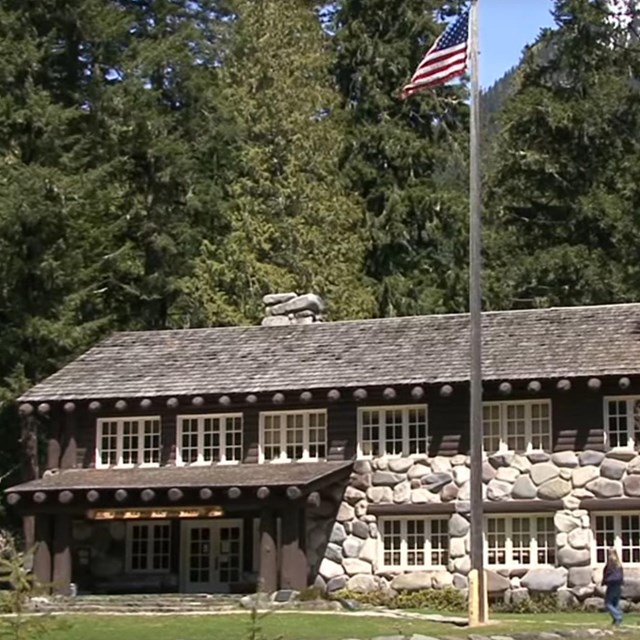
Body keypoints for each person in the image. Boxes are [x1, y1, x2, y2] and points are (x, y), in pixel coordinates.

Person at [602, 548, 624, 626]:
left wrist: (604, 582)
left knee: (608, 603)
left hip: (612, 584)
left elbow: (608, 573)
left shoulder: (611, 561)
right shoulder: (619, 563)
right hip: (619, 585)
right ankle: (616, 620)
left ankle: (618, 616)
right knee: (615, 603)